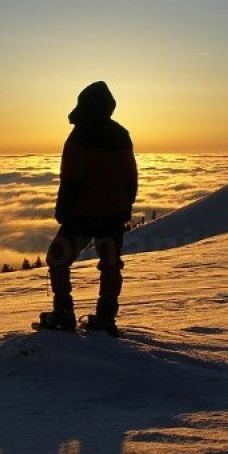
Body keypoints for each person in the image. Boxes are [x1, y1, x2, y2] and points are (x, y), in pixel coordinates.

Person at [39, 81, 138, 335]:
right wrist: (126, 204)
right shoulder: (121, 134)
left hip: (81, 215)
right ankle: (106, 318)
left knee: (57, 259)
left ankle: (63, 313)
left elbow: (71, 178)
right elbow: (130, 177)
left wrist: (63, 210)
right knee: (110, 264)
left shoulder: (79, 135)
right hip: (113, 215)